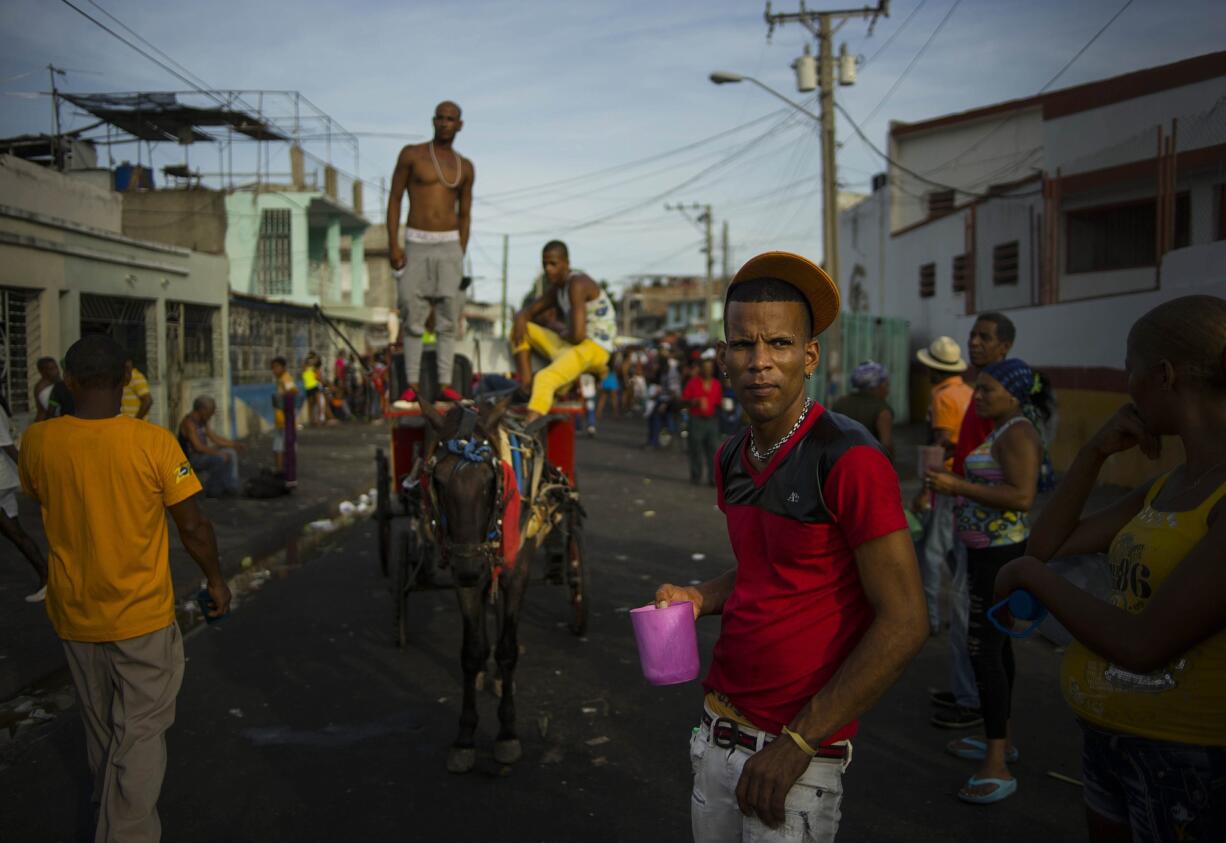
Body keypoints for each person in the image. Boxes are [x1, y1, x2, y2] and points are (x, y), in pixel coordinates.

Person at [654, 251, 928, 841]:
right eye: (744, 345)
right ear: (724, 356)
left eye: (779, 343)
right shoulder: (732, 456)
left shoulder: (850, 460)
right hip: (716, 732)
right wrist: (698, 597)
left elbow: (906, 622)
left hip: (795, 757)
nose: (760, 362)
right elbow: (766, 568)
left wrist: (800, 742)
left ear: (810, 355)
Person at [994, 295, 1226, 840]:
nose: (1128, 386)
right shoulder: (1169, 486)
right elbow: (1049, 544)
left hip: (1191, 765)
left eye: (1130, 370)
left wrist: (1031, 580)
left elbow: (1143, 644)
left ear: (1163, 375)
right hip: (1112, 743)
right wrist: (1094, 453)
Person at [17, 333, 231, 842]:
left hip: (74, 615)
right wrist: (216, 579)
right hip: (140, 617)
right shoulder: (153, 441)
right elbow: (195, 527)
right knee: (139, 734)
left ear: (68, 381)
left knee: (102, 727)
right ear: (127, 377)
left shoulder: (39, 441)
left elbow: (39, 494)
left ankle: (106, 809)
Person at [925, 358, 1051, 804]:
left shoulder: (1017, 432)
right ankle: (1003, 740)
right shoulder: (1004, 428)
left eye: (987, 390)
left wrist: (957, 486)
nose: (978, 397)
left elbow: (1022, 496)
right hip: (985, 554)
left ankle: (996, 764)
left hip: (999, 557)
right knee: (996, 649)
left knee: (985, 652)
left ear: (1014, 395)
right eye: (978, 389)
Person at [929, 313, 1016, 730]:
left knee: (972, 611)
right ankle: (971, 692)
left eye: (985, 338)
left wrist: (957, 484)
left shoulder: (1002, 398)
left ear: (1004, 347)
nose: (976, 343)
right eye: (973, 336)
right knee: (967, 606)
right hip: (967, 509)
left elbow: (1020, 487)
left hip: (987, 525)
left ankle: (976, 702)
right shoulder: (978, 390)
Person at [386, 100, 474, 405]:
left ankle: (445, 384)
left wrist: (459, 250)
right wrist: (393, 244)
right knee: (413, 313)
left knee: (448, 316)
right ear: (433, 121)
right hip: (416, 241)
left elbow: (465, 213)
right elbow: (395, 199)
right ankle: (411, 384)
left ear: (460, 125)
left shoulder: (465, 167)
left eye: (451, 119)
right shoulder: (413, 155)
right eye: (440, 117)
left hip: (450, 245)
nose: (445, 123)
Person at [511, 241, 618, 423]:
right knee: (522, 329)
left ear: (566, 263)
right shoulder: (557, 290)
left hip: (594, 348)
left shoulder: (577, 284)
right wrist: (521, 316)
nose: (548, 269)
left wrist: (558, 329)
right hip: (574, 345)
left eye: (553, 263)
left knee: (545, 379)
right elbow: (526, 313)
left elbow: (577, 335)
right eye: (545, 264)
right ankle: (526, 386)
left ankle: (529, 427)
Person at [913, 337, 973, 637]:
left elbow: (942, 443)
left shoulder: (943, 398)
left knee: (930, 553)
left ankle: (930, 620)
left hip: (944, 481)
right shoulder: (968, 392)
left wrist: (925, 487)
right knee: (952, 551)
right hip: (965, 480)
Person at [0, 397, 48, 602]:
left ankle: (48, 579)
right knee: (14, 531)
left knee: (13, 531)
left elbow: (9, 447)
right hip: (4, 479)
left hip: (1, 479)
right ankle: (47, 579)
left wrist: (31, 474)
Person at [178, 396, 244, 498]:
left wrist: (234, 445)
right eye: (210, 412)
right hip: (189, 460)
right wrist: (218, 453)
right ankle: (213, 490)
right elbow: (198, 447)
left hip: (200, 455)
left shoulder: (202, 421)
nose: (212, 415)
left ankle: (231, 486)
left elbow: (214, 438)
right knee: (220, 458)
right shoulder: (189, 423)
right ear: (202, 410)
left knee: (231, 453)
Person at [831, 361, 894, 457]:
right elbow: (886, 445)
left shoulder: (840, 403)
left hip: (840, 461)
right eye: (885, 385)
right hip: (868, 463)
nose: (887, 390)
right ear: (875, 387)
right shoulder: (882, 410)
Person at [682, 355, 722, 486]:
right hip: (696, 420)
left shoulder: (716, 384)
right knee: (695, 449)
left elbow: (718, 402)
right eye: (705, 368)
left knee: (713, 450)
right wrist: (694, 402)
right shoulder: (693, 382)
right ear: (701, 369)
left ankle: (713, 478)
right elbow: (683, 401)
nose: (707, 371)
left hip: (711, 421)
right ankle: (696, 476)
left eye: (710, 368)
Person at [270, 357, 298, 485]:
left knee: (279, 445)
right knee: (278, 445)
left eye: (276, 367)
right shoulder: (281, 379)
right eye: (273, 368)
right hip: (280, 418)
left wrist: (281, 398)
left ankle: (280, 470)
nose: (274, 370)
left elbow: (292, 391)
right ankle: (280, 469)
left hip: (283, 419)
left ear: (283, 367)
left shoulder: (286, 378)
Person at [120, 356, 153, 420]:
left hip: (136, 427)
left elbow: (148, 401)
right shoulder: (121, 378)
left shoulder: (136, 377)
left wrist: (136, 420)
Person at [32, 356, 61, 421]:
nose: (56, 371)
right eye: (51, 369)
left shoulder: (56, 382)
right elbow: (53, 411)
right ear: (43, 371)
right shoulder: (42, 388)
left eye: (56, 367)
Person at [302, 354, 323, 425]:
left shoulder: (314, 369)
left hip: (314, 387)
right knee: (311, 404)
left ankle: (318, 420)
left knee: (316, 404)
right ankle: (312, 420)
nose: (312, 361)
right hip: (309, 387)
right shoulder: (306, 368)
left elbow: (319, 378)